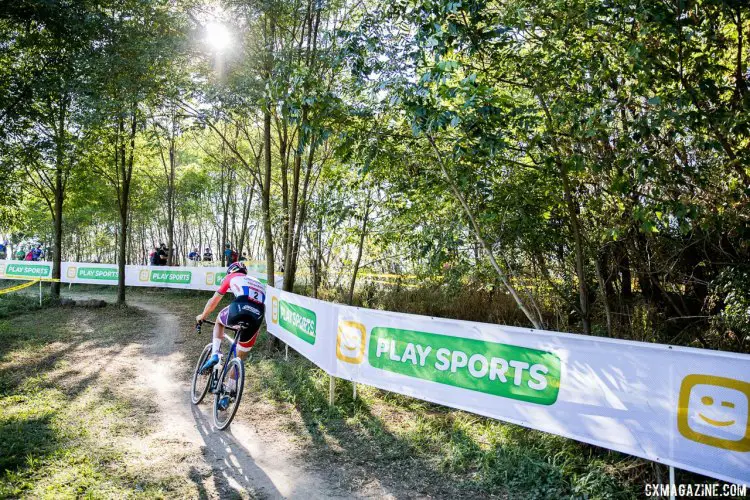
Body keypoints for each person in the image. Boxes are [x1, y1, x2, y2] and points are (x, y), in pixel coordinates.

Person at [195, 261, 265, 409]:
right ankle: (228, 392)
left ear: (231, 271)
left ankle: (215, 355)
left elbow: (213, 302)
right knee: (239, 357)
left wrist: (202, 316)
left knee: (219, 321)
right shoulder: (258, 282)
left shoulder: (231, 277)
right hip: (257, 317)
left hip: (240, 308)